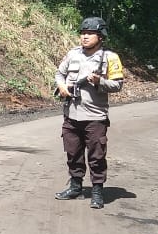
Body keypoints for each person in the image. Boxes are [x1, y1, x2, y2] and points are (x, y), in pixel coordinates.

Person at [53, 16, 124, 209]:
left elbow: (117, 85)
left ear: (100, 36)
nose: (85, 37)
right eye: (83, 33)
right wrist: (61, 86)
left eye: (90, 33)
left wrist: (99, 81)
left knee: (96, 155)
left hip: (95, 117)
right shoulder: (73, 54)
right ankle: (75, 187)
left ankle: (97, 191)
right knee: (72, 152)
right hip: (72, 114)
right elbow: (59, 73)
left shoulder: (110, 58)